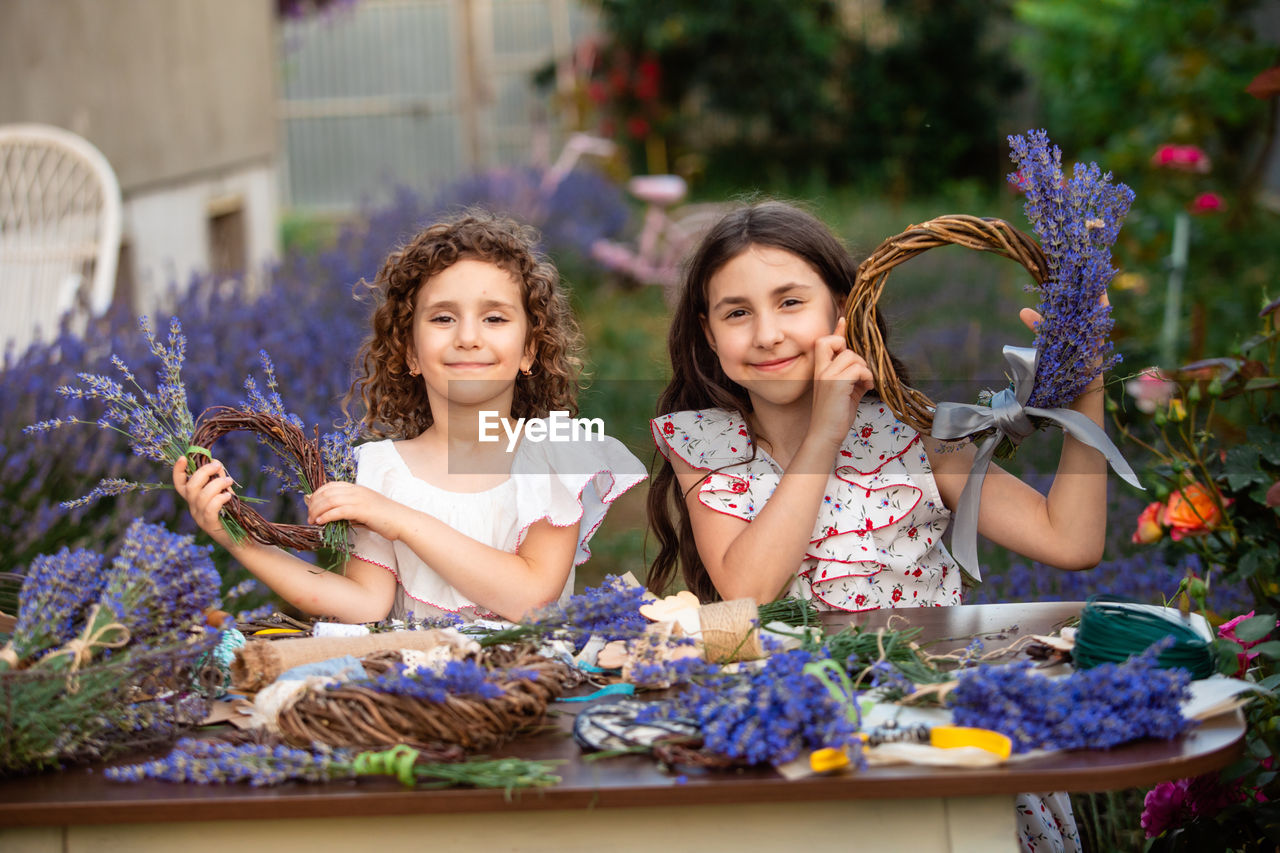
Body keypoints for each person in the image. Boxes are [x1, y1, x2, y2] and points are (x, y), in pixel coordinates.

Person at [646, 200, 1096, 853]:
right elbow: (752, 585)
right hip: (799, 739)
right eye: (737, 312)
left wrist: (1087, 389)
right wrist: (827, 429)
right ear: (709, 333)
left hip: (935, 719)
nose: (766, 333)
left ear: (842, 310)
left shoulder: (915, 433)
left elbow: (1070, 539)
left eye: (790, 302)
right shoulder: (708, 444)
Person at [176, 212, 646, 623]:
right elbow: (363, 603)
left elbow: (530, 598)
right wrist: (237, 537)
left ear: (529, 350)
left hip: (533, 692)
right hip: (415, 697)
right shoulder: (383, 470)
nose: (467, 337)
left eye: (495, 319)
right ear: (410, 353)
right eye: (442, 318)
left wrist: (397, 519)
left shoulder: (554, 452)